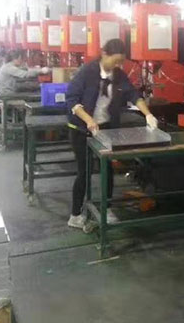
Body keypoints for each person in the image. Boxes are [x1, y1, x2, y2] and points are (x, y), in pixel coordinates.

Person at [65, 37, 158, 232]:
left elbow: (134, 95)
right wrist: (88, 120)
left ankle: (106, 209)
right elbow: (72, 100)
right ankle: (75, 214)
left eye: (120, 62)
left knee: (107, 169)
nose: (117, 65)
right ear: (104, 54)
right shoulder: (86, 72)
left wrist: (148, 115)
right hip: (81, 129)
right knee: (84, 172)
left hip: (106, 129)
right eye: (115, 61)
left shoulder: (119, 75)